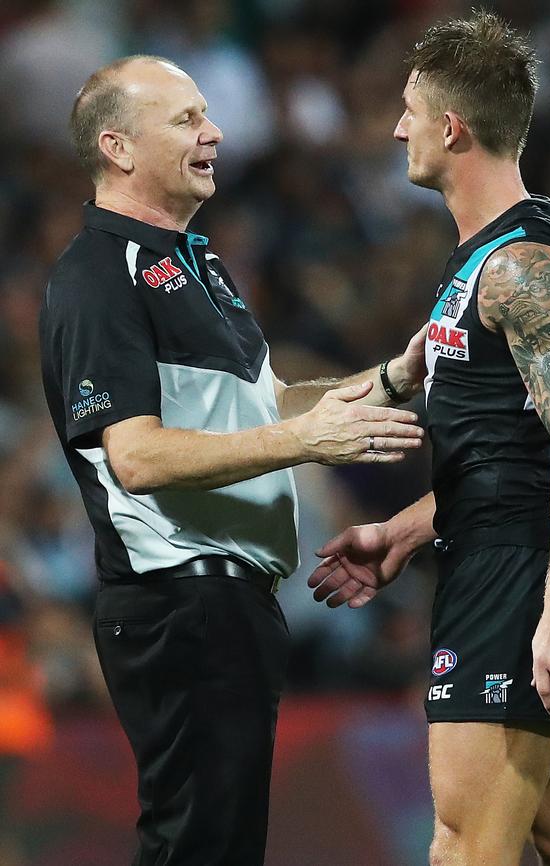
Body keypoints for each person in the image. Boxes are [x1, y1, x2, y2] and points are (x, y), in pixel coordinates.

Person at [39, 55, 427, 866]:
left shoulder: (195, 265)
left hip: (229, 608)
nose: (213, 131)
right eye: (185, 119)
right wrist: (305, 443)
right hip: (179, 603)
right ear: (116, 146)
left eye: (206, 114)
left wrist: (395, 376)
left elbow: (272, 404)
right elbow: (136, 456)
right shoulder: (97, 276)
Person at [308, 12, 550, 866]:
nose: (396, 128)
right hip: (511, 561)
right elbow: (511, 454)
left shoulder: (526, 270)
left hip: (519, 582)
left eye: (410, 110)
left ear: (452, 127)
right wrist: (406, 531)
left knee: (464, 849)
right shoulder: (492, 260)